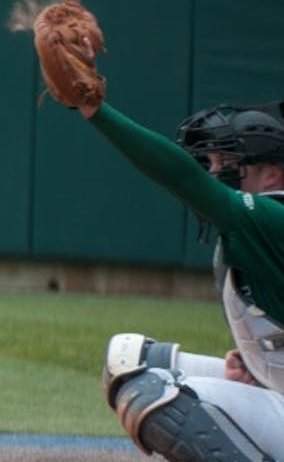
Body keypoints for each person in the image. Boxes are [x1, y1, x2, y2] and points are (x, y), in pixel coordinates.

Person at [58, 96, 284, 460]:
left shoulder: (269, 219)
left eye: (225, 164)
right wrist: (257, 366)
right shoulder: (257, 228)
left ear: (271, 174)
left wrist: (96, 111)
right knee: (135, 359)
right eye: (209, 164)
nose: (212, 174)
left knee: (153, 392)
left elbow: (179, 175)